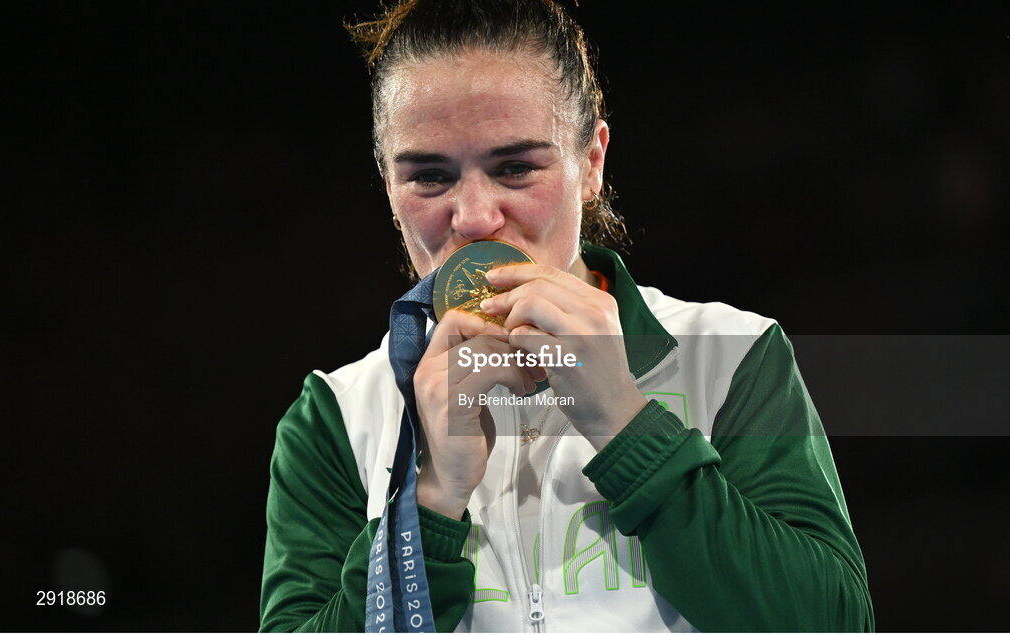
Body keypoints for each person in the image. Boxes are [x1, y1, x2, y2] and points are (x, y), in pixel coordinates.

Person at [259, 0, 874, 631]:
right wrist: (432, 502)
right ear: (388, 187)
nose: (473, 216)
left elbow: (834, 622)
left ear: (592, 163)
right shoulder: (337, 416)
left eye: (516, 167)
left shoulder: (730, 356)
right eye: (429, 176)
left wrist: (629, 429)